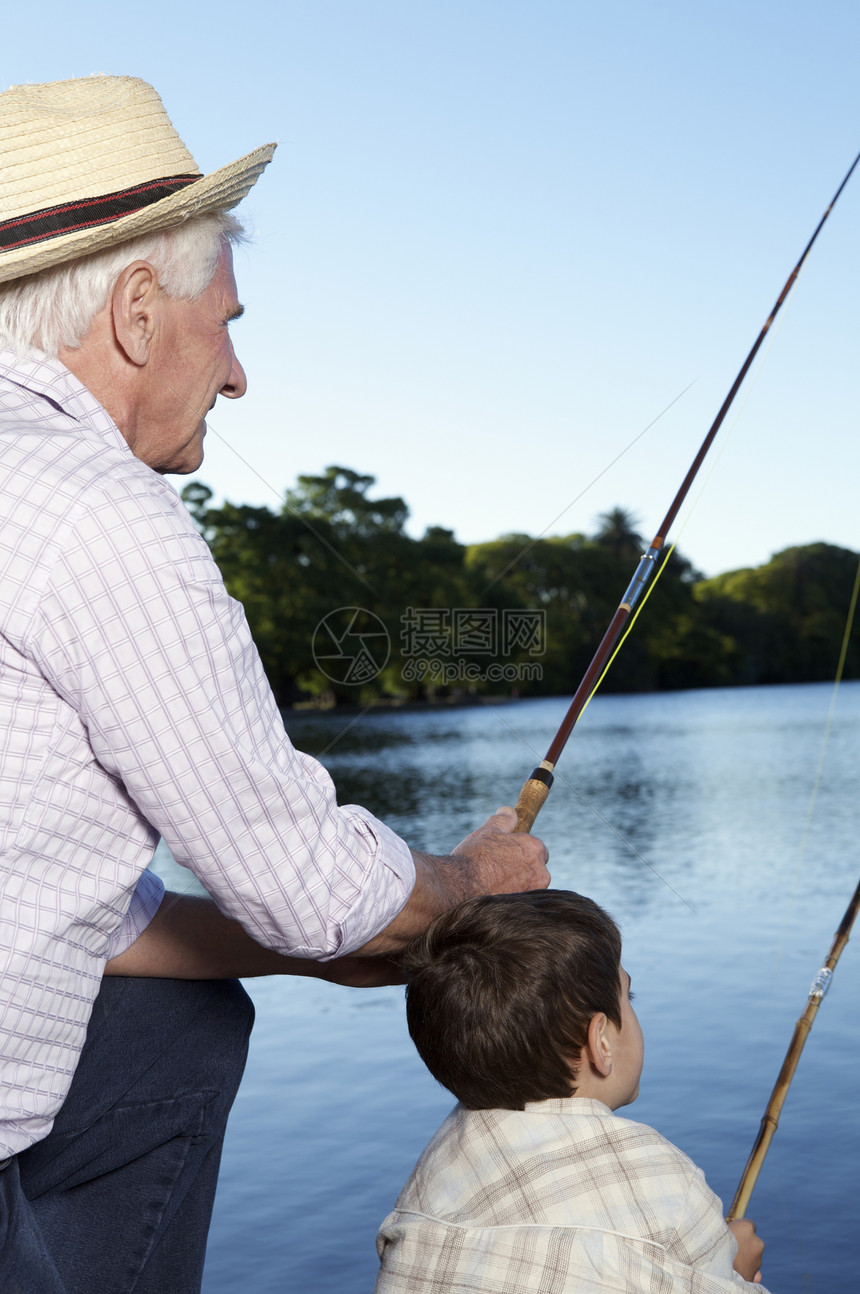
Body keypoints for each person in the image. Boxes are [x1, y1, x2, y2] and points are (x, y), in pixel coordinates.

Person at [0, 75, 549, 1291]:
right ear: (140, 312)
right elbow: (311, 887)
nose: (237, 375)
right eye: (229, 321)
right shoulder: (96, 513)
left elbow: (87, 909)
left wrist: (317, 948)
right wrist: (468, 886)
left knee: (170, 1025)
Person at [375, 890, 768, 1293]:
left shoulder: (430, 1177)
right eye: (627, 996)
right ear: (601, 1043)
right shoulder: (660, 1181)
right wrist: (732, 1268)